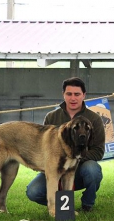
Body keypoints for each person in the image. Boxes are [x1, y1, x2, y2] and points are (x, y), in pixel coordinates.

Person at [26, 77, 106, 212]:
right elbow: (44, 148)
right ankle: (62, 207)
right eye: (69, 94)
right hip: (55, 167)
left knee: (93, 170)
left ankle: (87, 204)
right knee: (33, 191)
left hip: (81, 168)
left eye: (77, 94)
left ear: (84, 95)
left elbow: (98, 151)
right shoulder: (51, 117)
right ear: (63, 94)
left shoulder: (94, 119)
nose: (73, 98)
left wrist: (74, 159)